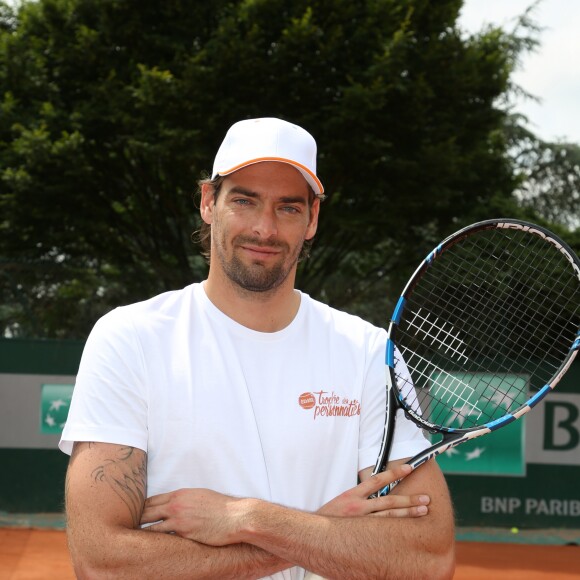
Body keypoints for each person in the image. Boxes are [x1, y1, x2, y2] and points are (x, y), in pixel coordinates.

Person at [61, 117, 455, 579]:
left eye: (288, 208)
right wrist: (316, 532)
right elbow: (101, 562)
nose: (265, 230)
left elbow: (428, 560)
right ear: (209, 202)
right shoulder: (129, 338)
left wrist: (252, 519)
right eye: (245, 201)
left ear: (312, 220)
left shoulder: (368, 353)